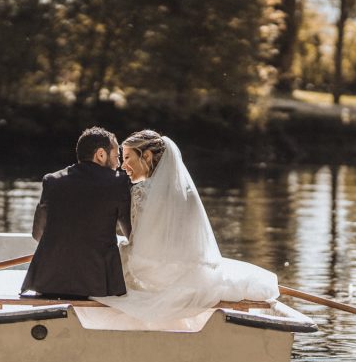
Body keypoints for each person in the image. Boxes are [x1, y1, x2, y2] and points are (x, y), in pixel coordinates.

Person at [96, 129, 278, 321]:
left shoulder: (140, 191)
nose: (123, 166)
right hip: (187, 271)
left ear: (147, 156)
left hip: (153, 273)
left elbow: (138, 243)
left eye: (127, 157)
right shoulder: (186, 192)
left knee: (114, 248)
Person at [20, 127, 132, 298]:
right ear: (101, 154)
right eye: (116, 156)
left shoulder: (52, 180)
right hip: (97, 285)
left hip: (48, 282)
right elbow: (130, 233)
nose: (118, 164)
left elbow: (38, 234)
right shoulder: (119, 182)